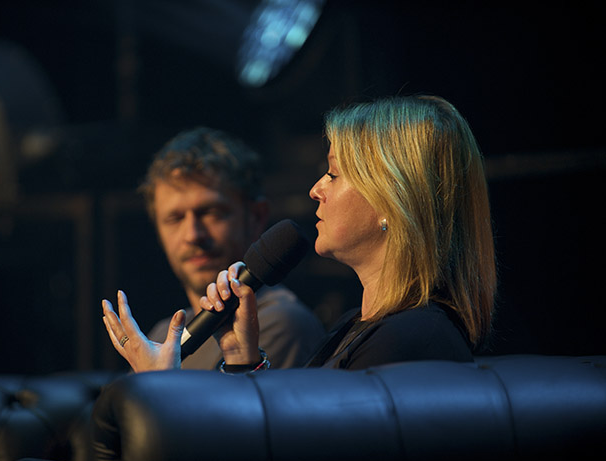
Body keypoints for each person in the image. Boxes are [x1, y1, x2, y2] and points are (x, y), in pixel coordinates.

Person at [102, 95, 496, 372]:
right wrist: (241, 358)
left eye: (333, 174)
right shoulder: (352, 328)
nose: (315, 189)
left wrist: (160, 390)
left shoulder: (411, 340)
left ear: (391, 201)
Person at [105, 127, 324, 371]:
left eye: (211, 213)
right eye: (175, 218)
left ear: (256, 217)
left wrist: (158, 383)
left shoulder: (282, 322)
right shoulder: (162, 334)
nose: (193, 235)